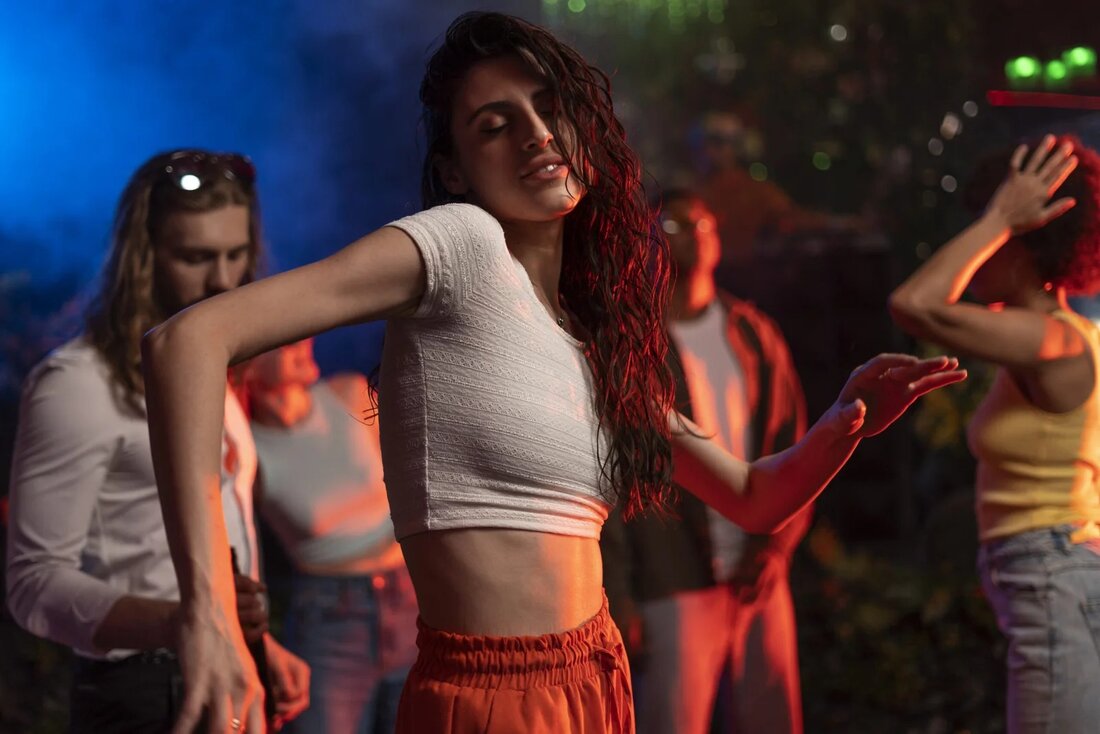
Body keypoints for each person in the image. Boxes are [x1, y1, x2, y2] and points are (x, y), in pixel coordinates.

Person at [140, 13, 965, 734]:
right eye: (495, 125)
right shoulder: (460, 244)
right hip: (491, 694)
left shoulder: (590, 335)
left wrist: (846, 420)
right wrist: (209, 617)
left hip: (597, 675)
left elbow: (755, 497)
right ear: (456, 169)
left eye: (548, 106)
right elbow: (186, 343)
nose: (536, 133)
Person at [5, 149, 310, 733]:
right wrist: (186, 623)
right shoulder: (78, 384)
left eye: (236, 255)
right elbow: (32, 585)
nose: (223, 280)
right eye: (196, 257)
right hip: (140, 691)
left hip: (228, 667)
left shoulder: (212, 370)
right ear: (142, 257)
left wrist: (259, 645)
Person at [890, 134, 1100, 732]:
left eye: (990, 230)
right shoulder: (1060, 336)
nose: (977, 244)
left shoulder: (1053, 340)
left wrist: (1000, 217)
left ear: (1025, 241)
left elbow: (916, 303)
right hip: (1055, 573)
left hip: (1053, 575)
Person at [602, 189, 810, 734]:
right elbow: (612, 474)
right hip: (673, 571)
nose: (693, 234)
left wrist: (775, 548)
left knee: (772, 720)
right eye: (674, 225)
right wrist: (618, 593)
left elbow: (793, 446)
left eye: (703, 223)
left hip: (758, 570)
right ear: (648, 240)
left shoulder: (751, 332)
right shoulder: (633, 345)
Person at [245, 339, 418, 733]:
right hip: (330, 618)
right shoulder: (248, 447)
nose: (300, 341)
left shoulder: (350, 393)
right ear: (247, 366)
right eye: (279, 340)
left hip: (410, 595)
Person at [694, 110, 860, 263]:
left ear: (735, 147)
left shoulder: (753, 191)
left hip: (741, 274)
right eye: (710, 142)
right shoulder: (695, 192)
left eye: (719, 143)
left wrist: (840, 223)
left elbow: (793, 217)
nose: (711, 151)